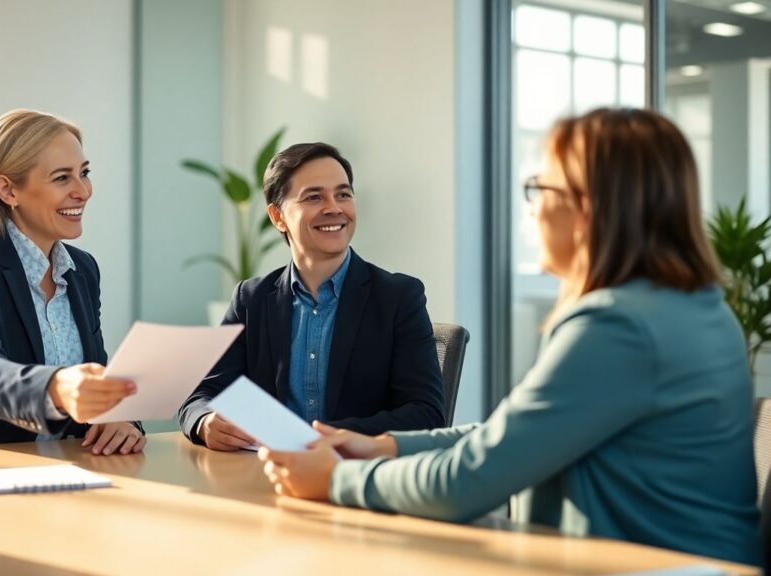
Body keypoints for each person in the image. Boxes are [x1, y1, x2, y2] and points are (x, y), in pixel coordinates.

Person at [258, 108, 761, 566]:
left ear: (589, 209)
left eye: (542, 190)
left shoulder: (616, 327)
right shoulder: (692, 306)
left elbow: (474, 480)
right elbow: (518, 437)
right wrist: (385, 446)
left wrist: (335, 480)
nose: (533, 210)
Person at [178, 142, 446, 451]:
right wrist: (205, 421)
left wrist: (318, 437)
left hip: (358, 479)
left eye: (343, 194)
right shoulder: (251, 299)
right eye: (314, 197)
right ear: (278, 216)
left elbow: (426, 413)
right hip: (266, 477)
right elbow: (201, 394)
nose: (334, 207)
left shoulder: (399, 297)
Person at [0, 109, 145, 455]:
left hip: (64, 470)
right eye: (62, 178)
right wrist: (58, 388)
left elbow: (97, 377)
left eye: (84, 173)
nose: (83, 191)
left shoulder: (82, 270)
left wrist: (120, 419)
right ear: (8, 190)